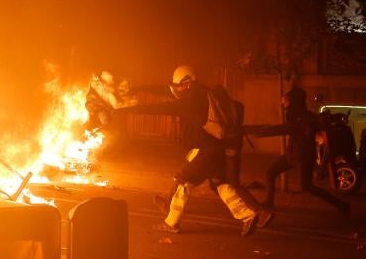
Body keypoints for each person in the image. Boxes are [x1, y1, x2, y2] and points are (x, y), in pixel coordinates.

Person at [119, 65, 273, 236]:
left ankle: (171, 223)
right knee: (219, 184)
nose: (176, 90)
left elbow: (160, 108)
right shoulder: (205, 94)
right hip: (216, 150)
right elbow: (165, 91)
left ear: (188, 83)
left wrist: (126, 109)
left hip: (204, 150)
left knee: (183, 180)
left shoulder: (189, 101)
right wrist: (141, 89)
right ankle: (248, 215)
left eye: (178, 86)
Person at [262, 88, 350, 215]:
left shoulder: (305, 116)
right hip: (293, 155)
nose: (283, 104)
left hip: (303, 157)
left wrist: (329, 118)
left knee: (306, 186)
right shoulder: (296, 115)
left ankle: (341, 204)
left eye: (286, 102)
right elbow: (289, 126)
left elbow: (290, 127)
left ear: (293, 102)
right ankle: (268, 203)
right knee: (271, 172)